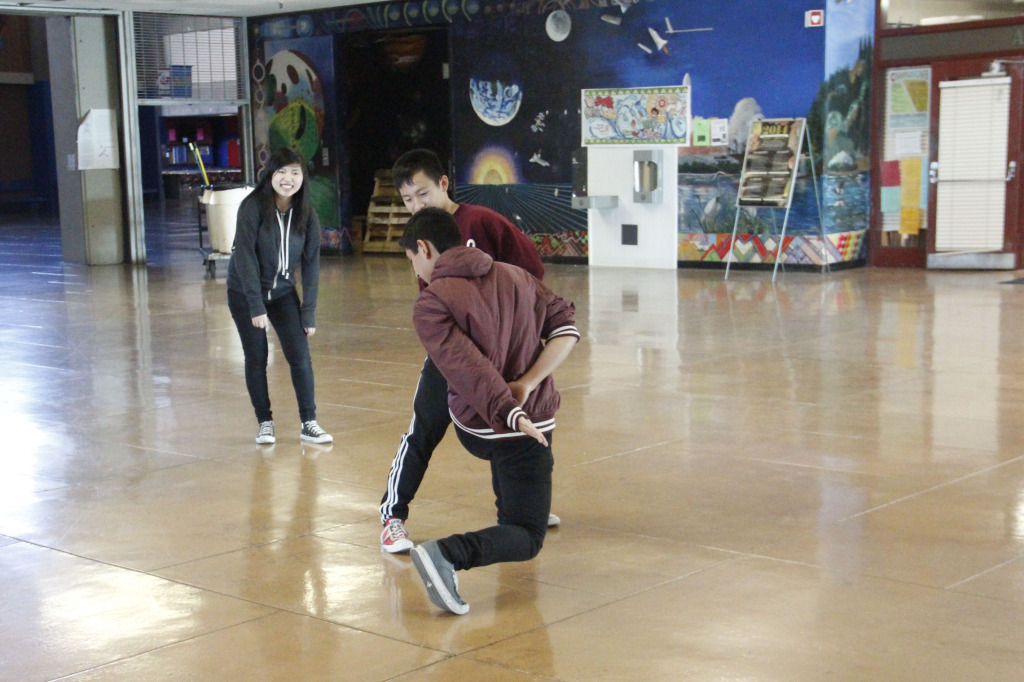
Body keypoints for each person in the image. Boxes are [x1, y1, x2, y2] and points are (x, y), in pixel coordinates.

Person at [379, 149, 558, 553]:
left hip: (502, 353)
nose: (415, 206)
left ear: (443, 184)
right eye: (407, 200)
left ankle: (524, 503)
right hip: (451, 357)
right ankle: (393, 515)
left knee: (521, 419)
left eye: (422, 195)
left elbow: (533, 277)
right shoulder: (421, 241)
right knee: (424, 429)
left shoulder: (483, 222)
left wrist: (507, 322)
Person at [400, 208, 578, 614]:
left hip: (476, 426)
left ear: (424, 248)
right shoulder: (518, 276)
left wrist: (510, 404)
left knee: (512, 505)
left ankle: (495, 527)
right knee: (529, 534)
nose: (417, 270)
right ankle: (447, 554)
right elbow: (566, 328)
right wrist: (524, 393)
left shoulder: (431, 302)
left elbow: (466, 369)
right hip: (522, 425)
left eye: (412, 260)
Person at [226, 148, 332, 445]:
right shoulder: (252, 207)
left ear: (303, 178)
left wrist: (308, 312)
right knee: (257, 356)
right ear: (270, 175)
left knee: (300, 357)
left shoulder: (306, 212)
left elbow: (311, 263)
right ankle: (265, 422)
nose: (288, 179)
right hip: (246, 293)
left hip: (284, 292)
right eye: (281, 172)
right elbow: (244, 255)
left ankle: (308, 422)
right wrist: (255, 305)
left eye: (295, 173)